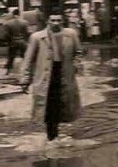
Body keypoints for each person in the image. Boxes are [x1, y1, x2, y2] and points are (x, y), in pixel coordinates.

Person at [20, 9, 83, 143]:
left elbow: (78, 52)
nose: (56, 23)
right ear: (48, 21)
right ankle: (51, 136)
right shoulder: (37, 37)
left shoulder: (71, 34)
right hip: (45, 75)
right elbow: (28, 59)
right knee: (48, 105)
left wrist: (76, 65)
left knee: (63, 103)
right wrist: (25, 80)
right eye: (53, 20)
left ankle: (56, 134)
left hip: (64, 73)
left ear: (63, 21)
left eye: (59, 20)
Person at [4, 8, 30, 76]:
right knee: (25, 57)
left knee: (11, 57)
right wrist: (26, 40)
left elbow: (6, 34)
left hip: (13, 42)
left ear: (13, 14)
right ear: (19, 14)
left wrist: (9, 41)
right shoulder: (25, 22)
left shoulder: (8, 23)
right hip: (22, 42)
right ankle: (26, 70)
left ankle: (8, 71)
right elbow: (27, 33)